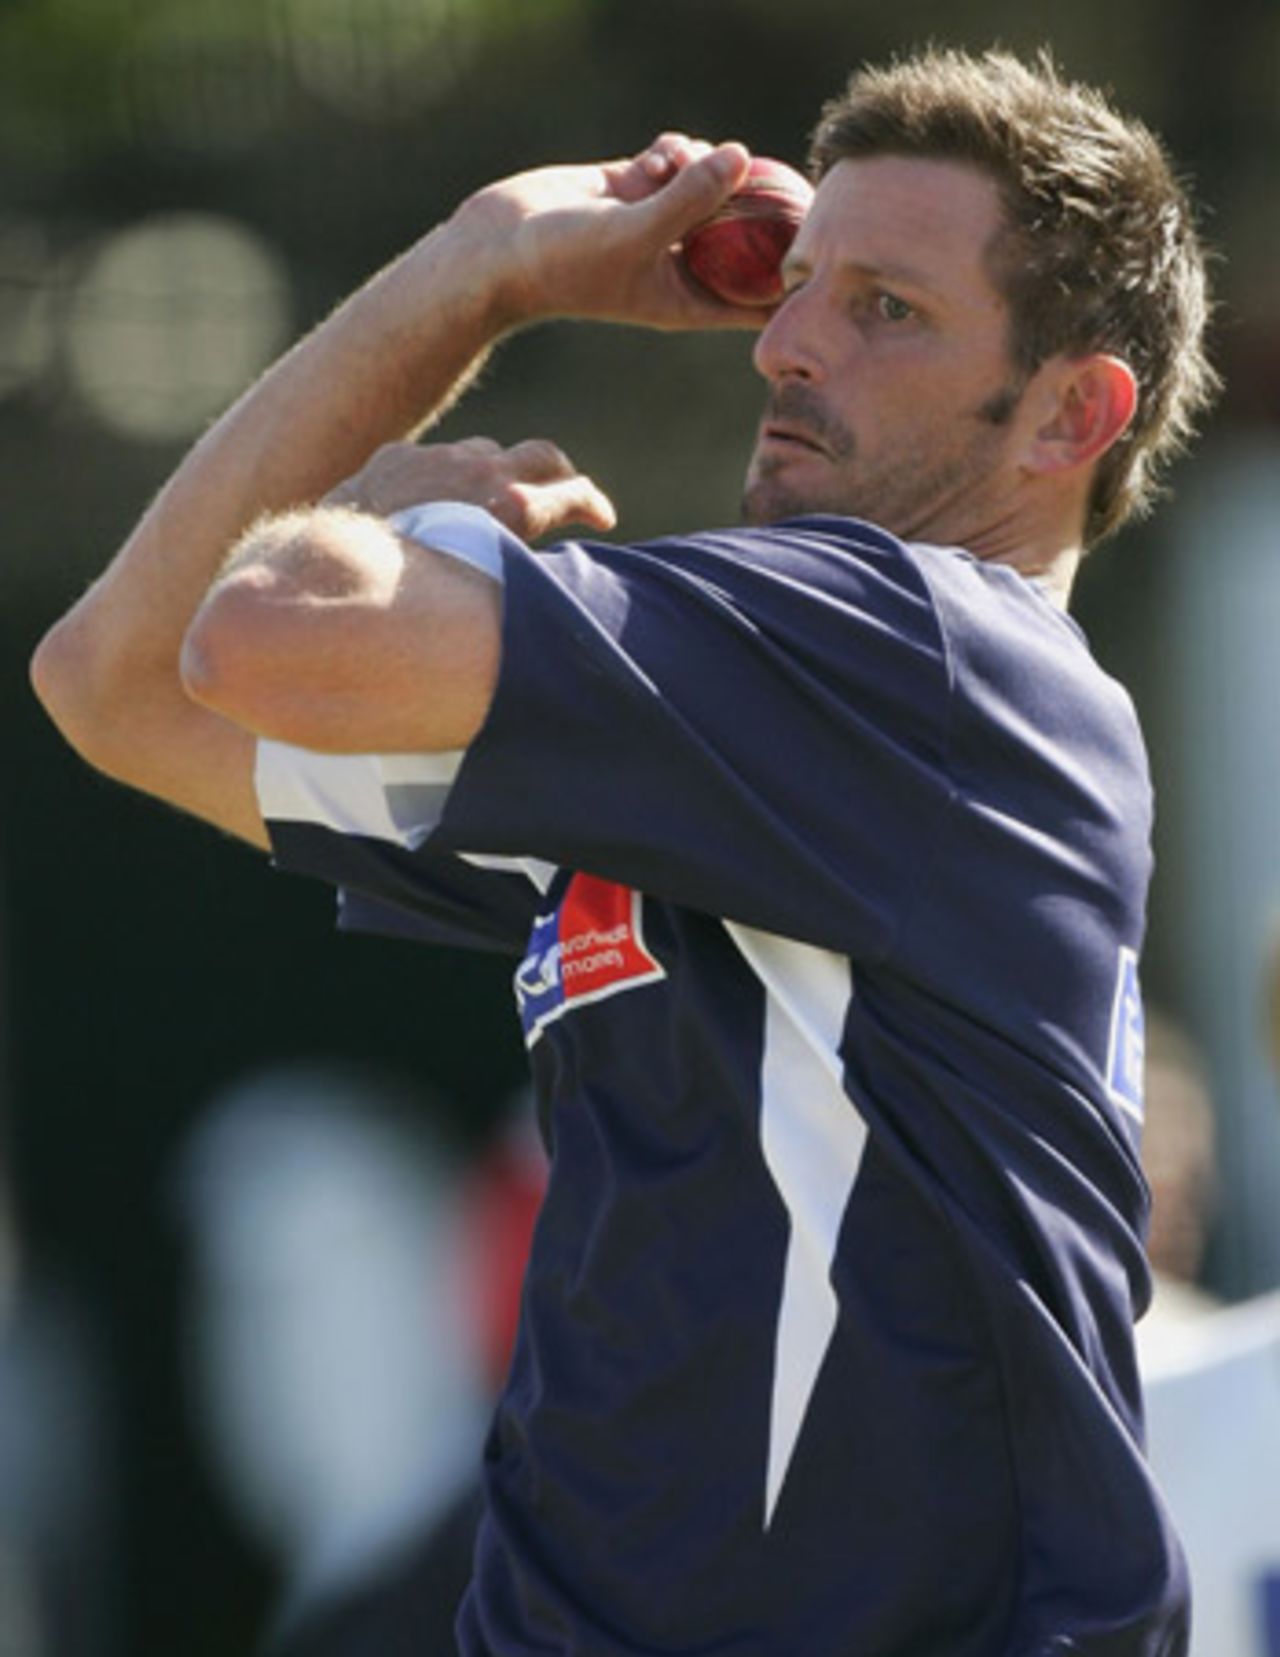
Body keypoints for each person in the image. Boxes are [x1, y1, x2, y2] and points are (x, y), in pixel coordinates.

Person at [31, 45, 1218, 1657]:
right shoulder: (763, 742)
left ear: (1074, 412)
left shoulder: (928, 648)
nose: (787, 343)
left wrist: (426, 475)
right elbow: (115, 683)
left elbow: (265, 631)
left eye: (886, 307)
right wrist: (471, 269)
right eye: (796, 285)